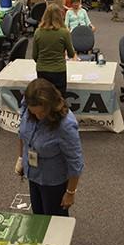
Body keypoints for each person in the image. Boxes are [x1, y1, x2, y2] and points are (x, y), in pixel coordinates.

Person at [15, 78, 84, 216]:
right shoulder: (28, 106)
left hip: (53, 181)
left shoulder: (65, 125)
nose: (38, 116)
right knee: (38, 217)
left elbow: (75, 162)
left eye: (42, 112)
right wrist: (21, 158)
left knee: (54, 222)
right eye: (34, 113)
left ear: (51, 105)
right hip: (33, 174)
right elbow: (23, 133)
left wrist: (70, 193)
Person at [32, 4, 77, 96]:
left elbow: (34, 56)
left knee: (44, 98)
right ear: (60, 16)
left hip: (42, 70)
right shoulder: (64, 32)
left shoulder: (38, 32)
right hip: (58, 71)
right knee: (58, 98)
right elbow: (71, 54)